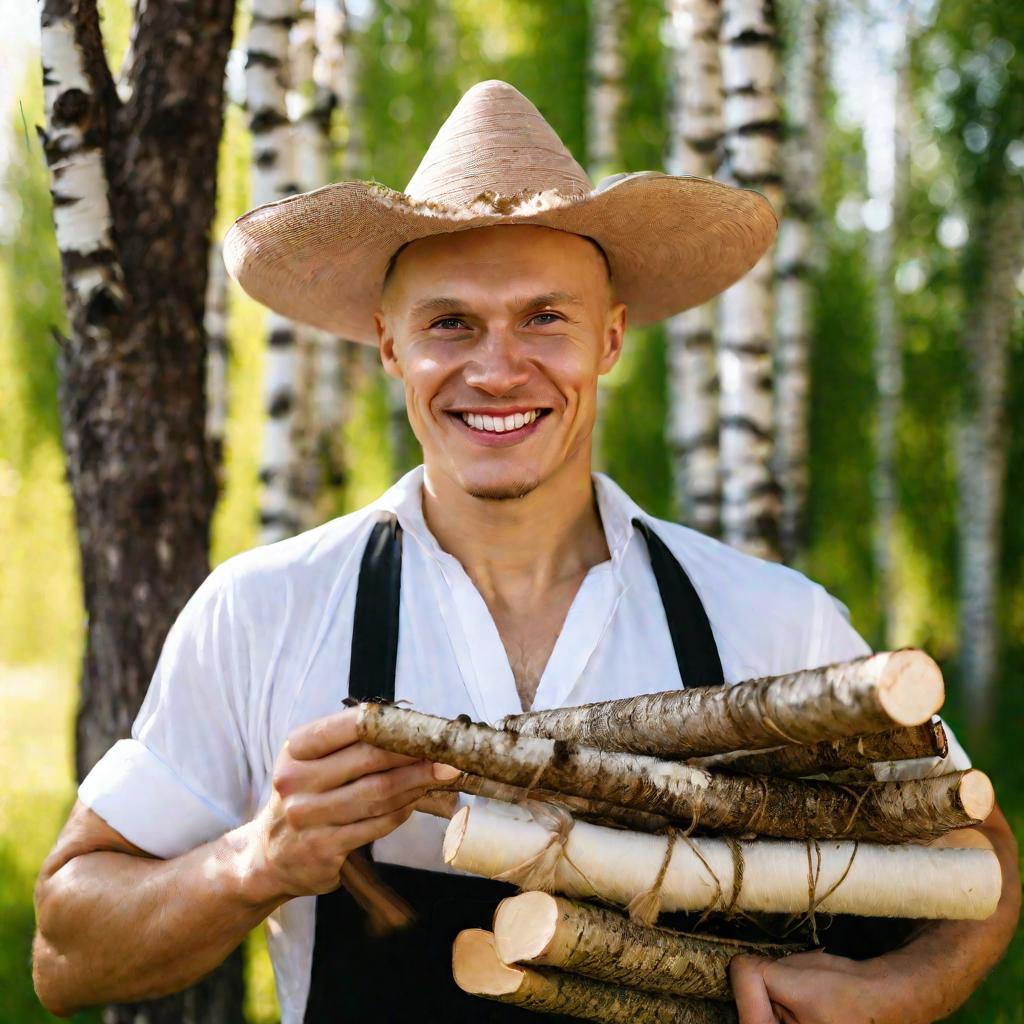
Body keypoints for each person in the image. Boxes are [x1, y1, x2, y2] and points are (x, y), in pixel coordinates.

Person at [33, 80, 1018, 1024]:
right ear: (389, 347)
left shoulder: (767, 618)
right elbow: (66, 952)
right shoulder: (263, 610)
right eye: (450, 322)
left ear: (610, 338)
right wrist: (255, 859)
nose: (497, 368)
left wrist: (893, 997)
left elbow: (975, 857)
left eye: (544, 316)